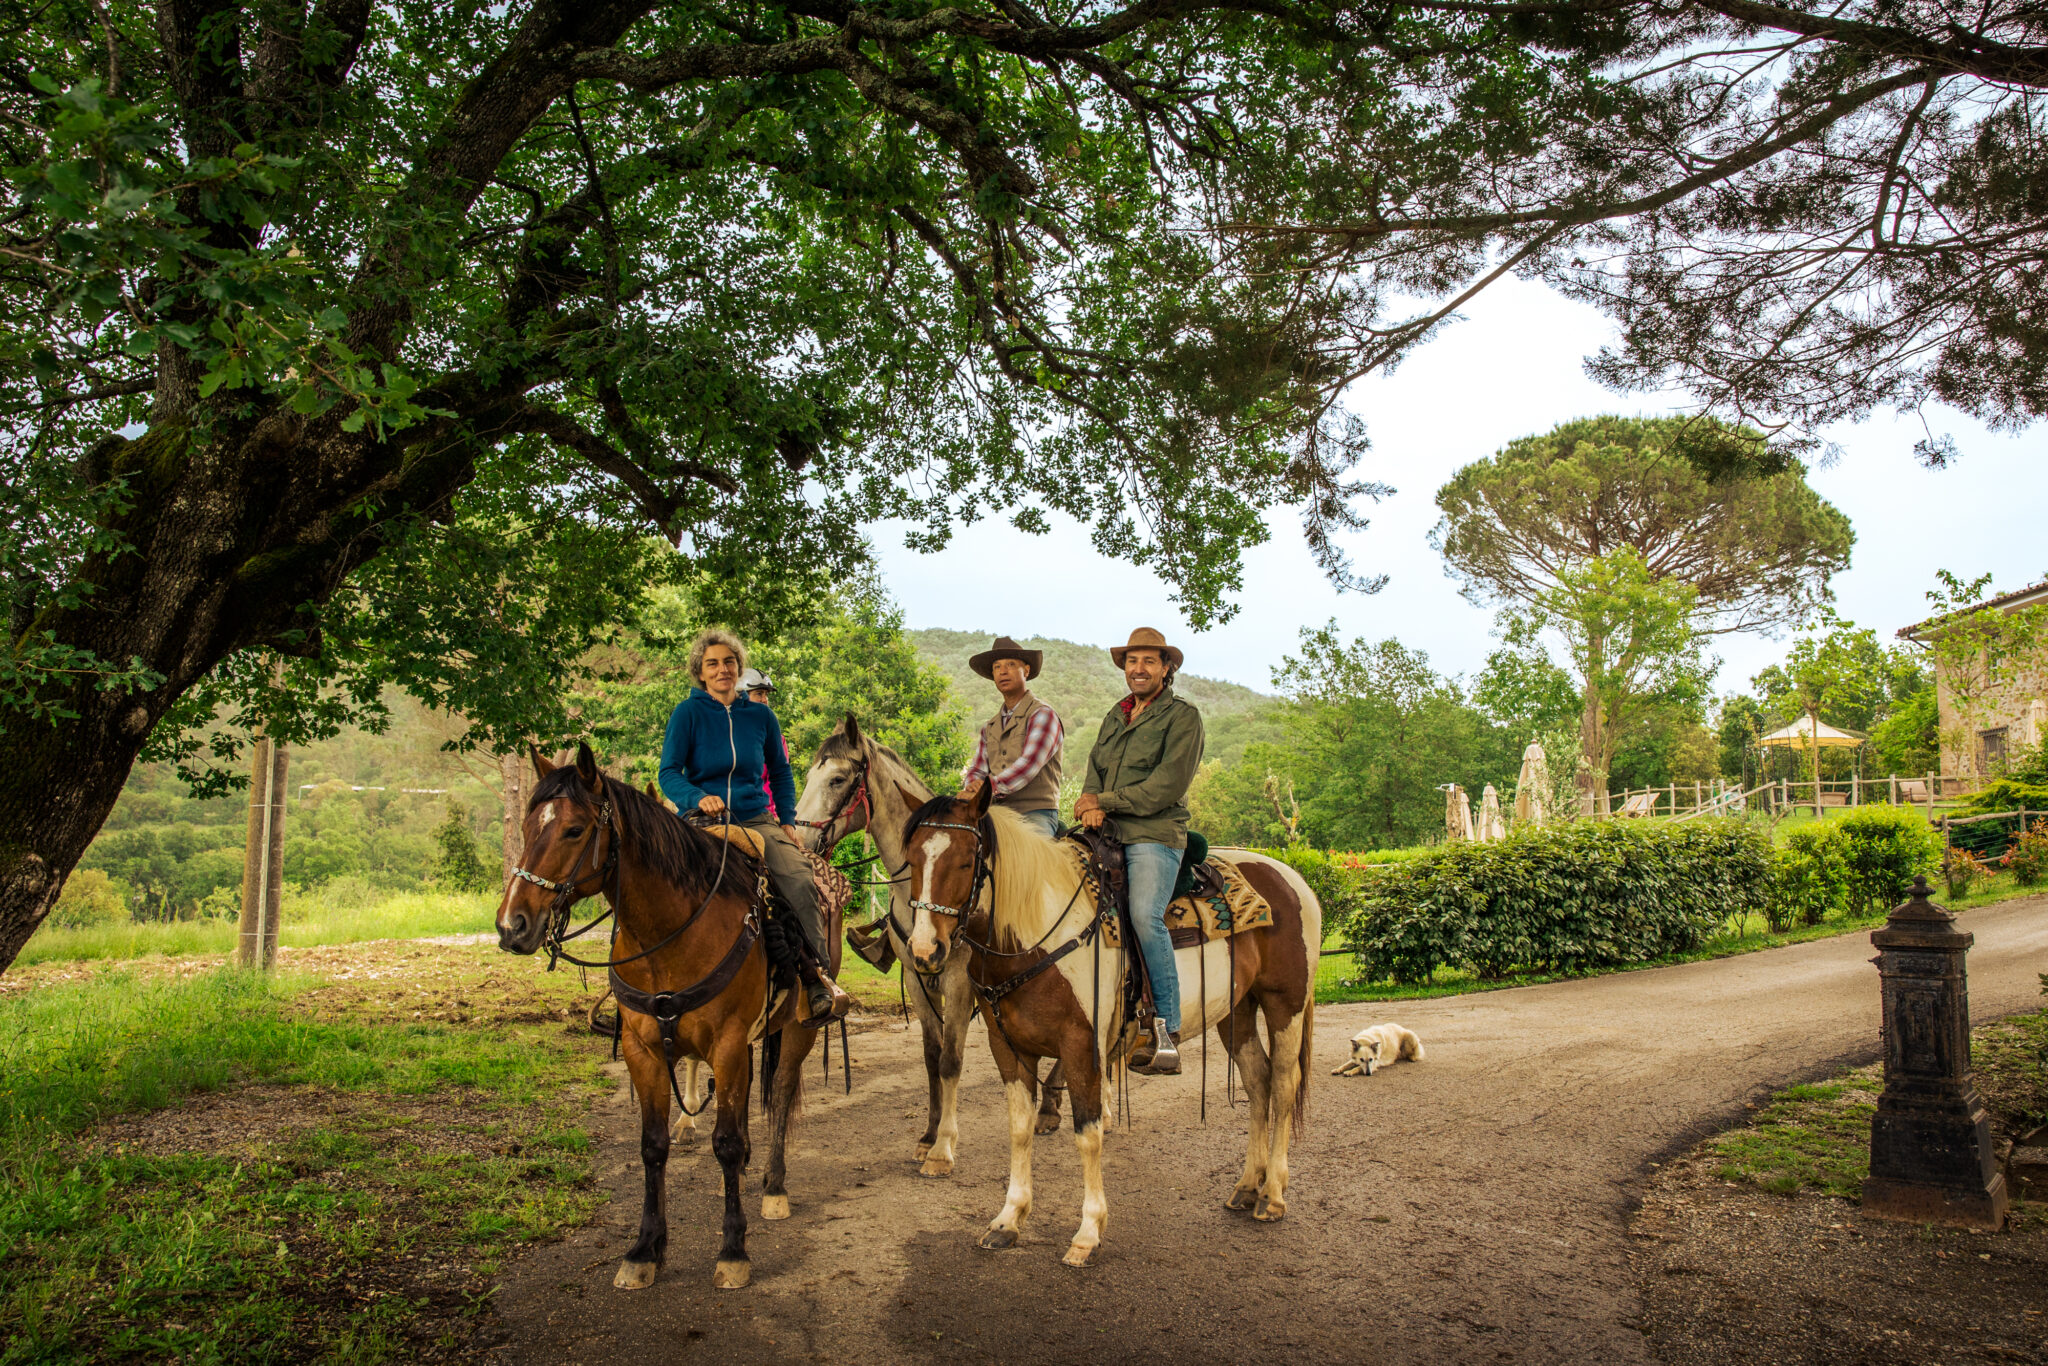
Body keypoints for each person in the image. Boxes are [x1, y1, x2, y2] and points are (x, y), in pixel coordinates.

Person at [659, 630, 849, 1024]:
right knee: (654, 877)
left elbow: (779, 772)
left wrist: (786, 820)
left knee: (798, 879)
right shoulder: (686, 714)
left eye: (729, 662)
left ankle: (815, 977)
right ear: (700, 671)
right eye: (712, 663)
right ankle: (630, 991)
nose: (722, 669)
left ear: (738, 667)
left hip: (755, 819)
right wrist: (696, 798)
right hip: (700, 820)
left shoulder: (761, 715)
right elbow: (668, 774)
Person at [1074, 627, 1204, 1075]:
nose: (1139, 669)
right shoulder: (1116, 715)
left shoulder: (1183, 717)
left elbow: (1164, 787)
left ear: (1167, 669)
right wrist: (1088, 799)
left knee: (1145, 915)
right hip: (1105, 831)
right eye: (1132, 661)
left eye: (1149, 661)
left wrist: (1103, 802)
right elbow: (1094, 768)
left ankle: (1165, 1029)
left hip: (1154, 831)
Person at [959, 636, 1064, 841]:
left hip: (1035, 813)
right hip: (994, 812)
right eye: (997, 667)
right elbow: (978, 769)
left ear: (1026, 670)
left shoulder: (1043, 715)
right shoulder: (989, 727)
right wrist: (971, 787)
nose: (1003, 671)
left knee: (1032, 861)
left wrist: (986, 789)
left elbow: (1028, 765)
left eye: (1010, 664)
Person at [742, 667, 790, 822]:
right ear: (741, 696)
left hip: (763, 815)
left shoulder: (776, 739)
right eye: (759, 694)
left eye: (766, 694)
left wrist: (778, 815)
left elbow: (778, 779)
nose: (764, 699)